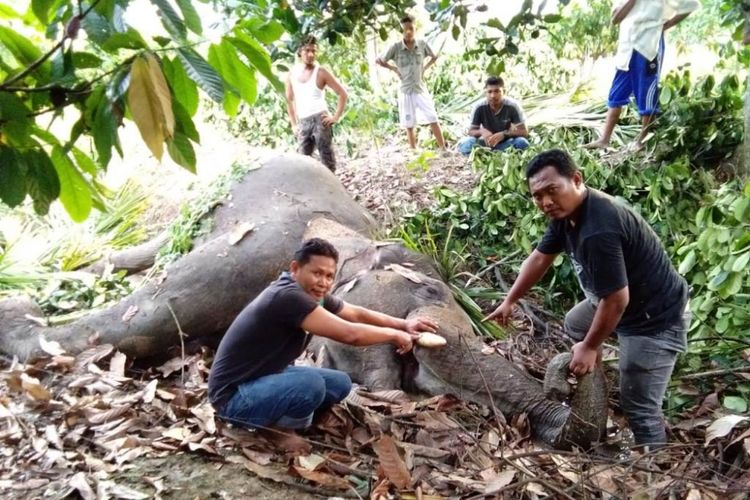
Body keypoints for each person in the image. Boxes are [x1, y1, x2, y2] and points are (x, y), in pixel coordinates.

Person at [485, 149, 689, 448]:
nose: (545, 202)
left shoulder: (598, 228)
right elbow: (540, 259)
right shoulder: (566, 214)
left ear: (576, 179)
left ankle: (653, 470)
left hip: (654, 320)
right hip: (623, 305)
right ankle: (606, 366)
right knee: (574, 322)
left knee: (640, 409)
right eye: (537, 196)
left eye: (552, 190)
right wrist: (510, 300)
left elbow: (617, 299)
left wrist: (591, 347)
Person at [208, 238, 437, 452]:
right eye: (317, 273)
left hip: (263, 379)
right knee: (312, 383)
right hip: (233, 398)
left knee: (340, 383)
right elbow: (350, 334)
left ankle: (292, 417)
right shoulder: (287, 297)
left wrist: (404, 324)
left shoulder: (311, 295)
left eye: (329, 276)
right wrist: (394, 336)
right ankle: (276, 431)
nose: (324, 282)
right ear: (295, 268)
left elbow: (356, 313)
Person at [585, 0, 699, 151]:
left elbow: (690, 5)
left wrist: (667, 25)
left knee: (647, 96)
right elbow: (615, 19)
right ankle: (604, 139)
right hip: (627, 49)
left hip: (648, 48)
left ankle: (642, 141)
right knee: (616, 95)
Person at [375, 14, 447, 152]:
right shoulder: (395, 47)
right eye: (405, 29)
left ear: (415, 29)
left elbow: (434, 56)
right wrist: (394, 69)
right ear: (401, 30)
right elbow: (379, 60)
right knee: (409, 123)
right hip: (405, 89)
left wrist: (424, 69)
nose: (408, 32)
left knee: (432, 117)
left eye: (411, 29)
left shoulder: (422, 44)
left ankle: (443, 148)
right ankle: (414, 151)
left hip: (420, 88)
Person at [285, 35, 348, 172]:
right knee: (303, 161)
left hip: (320, 119)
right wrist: (293, 124)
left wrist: (335, 117)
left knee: (327, 160)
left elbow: (342, 94)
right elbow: (289, 100)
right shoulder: (292, 73)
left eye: (314, 51)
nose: (311, 54)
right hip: (303, 121)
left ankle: (332, 191)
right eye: (307, 50)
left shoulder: (321, 72)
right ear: (300, 52)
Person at [457, 76, 530, 155]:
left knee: (522, 143)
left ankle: (501, 155)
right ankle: (482, 156)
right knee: (467, 143)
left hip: (506, 144)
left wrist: (504, 134)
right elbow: (471, 131)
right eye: (490, 92)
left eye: (497, 91)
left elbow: (524, 131)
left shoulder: (512, 106)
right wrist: (482, 131)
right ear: (486, 93)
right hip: (485, 145)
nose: (493, 95)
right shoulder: (479, 107)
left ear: (503, 92)